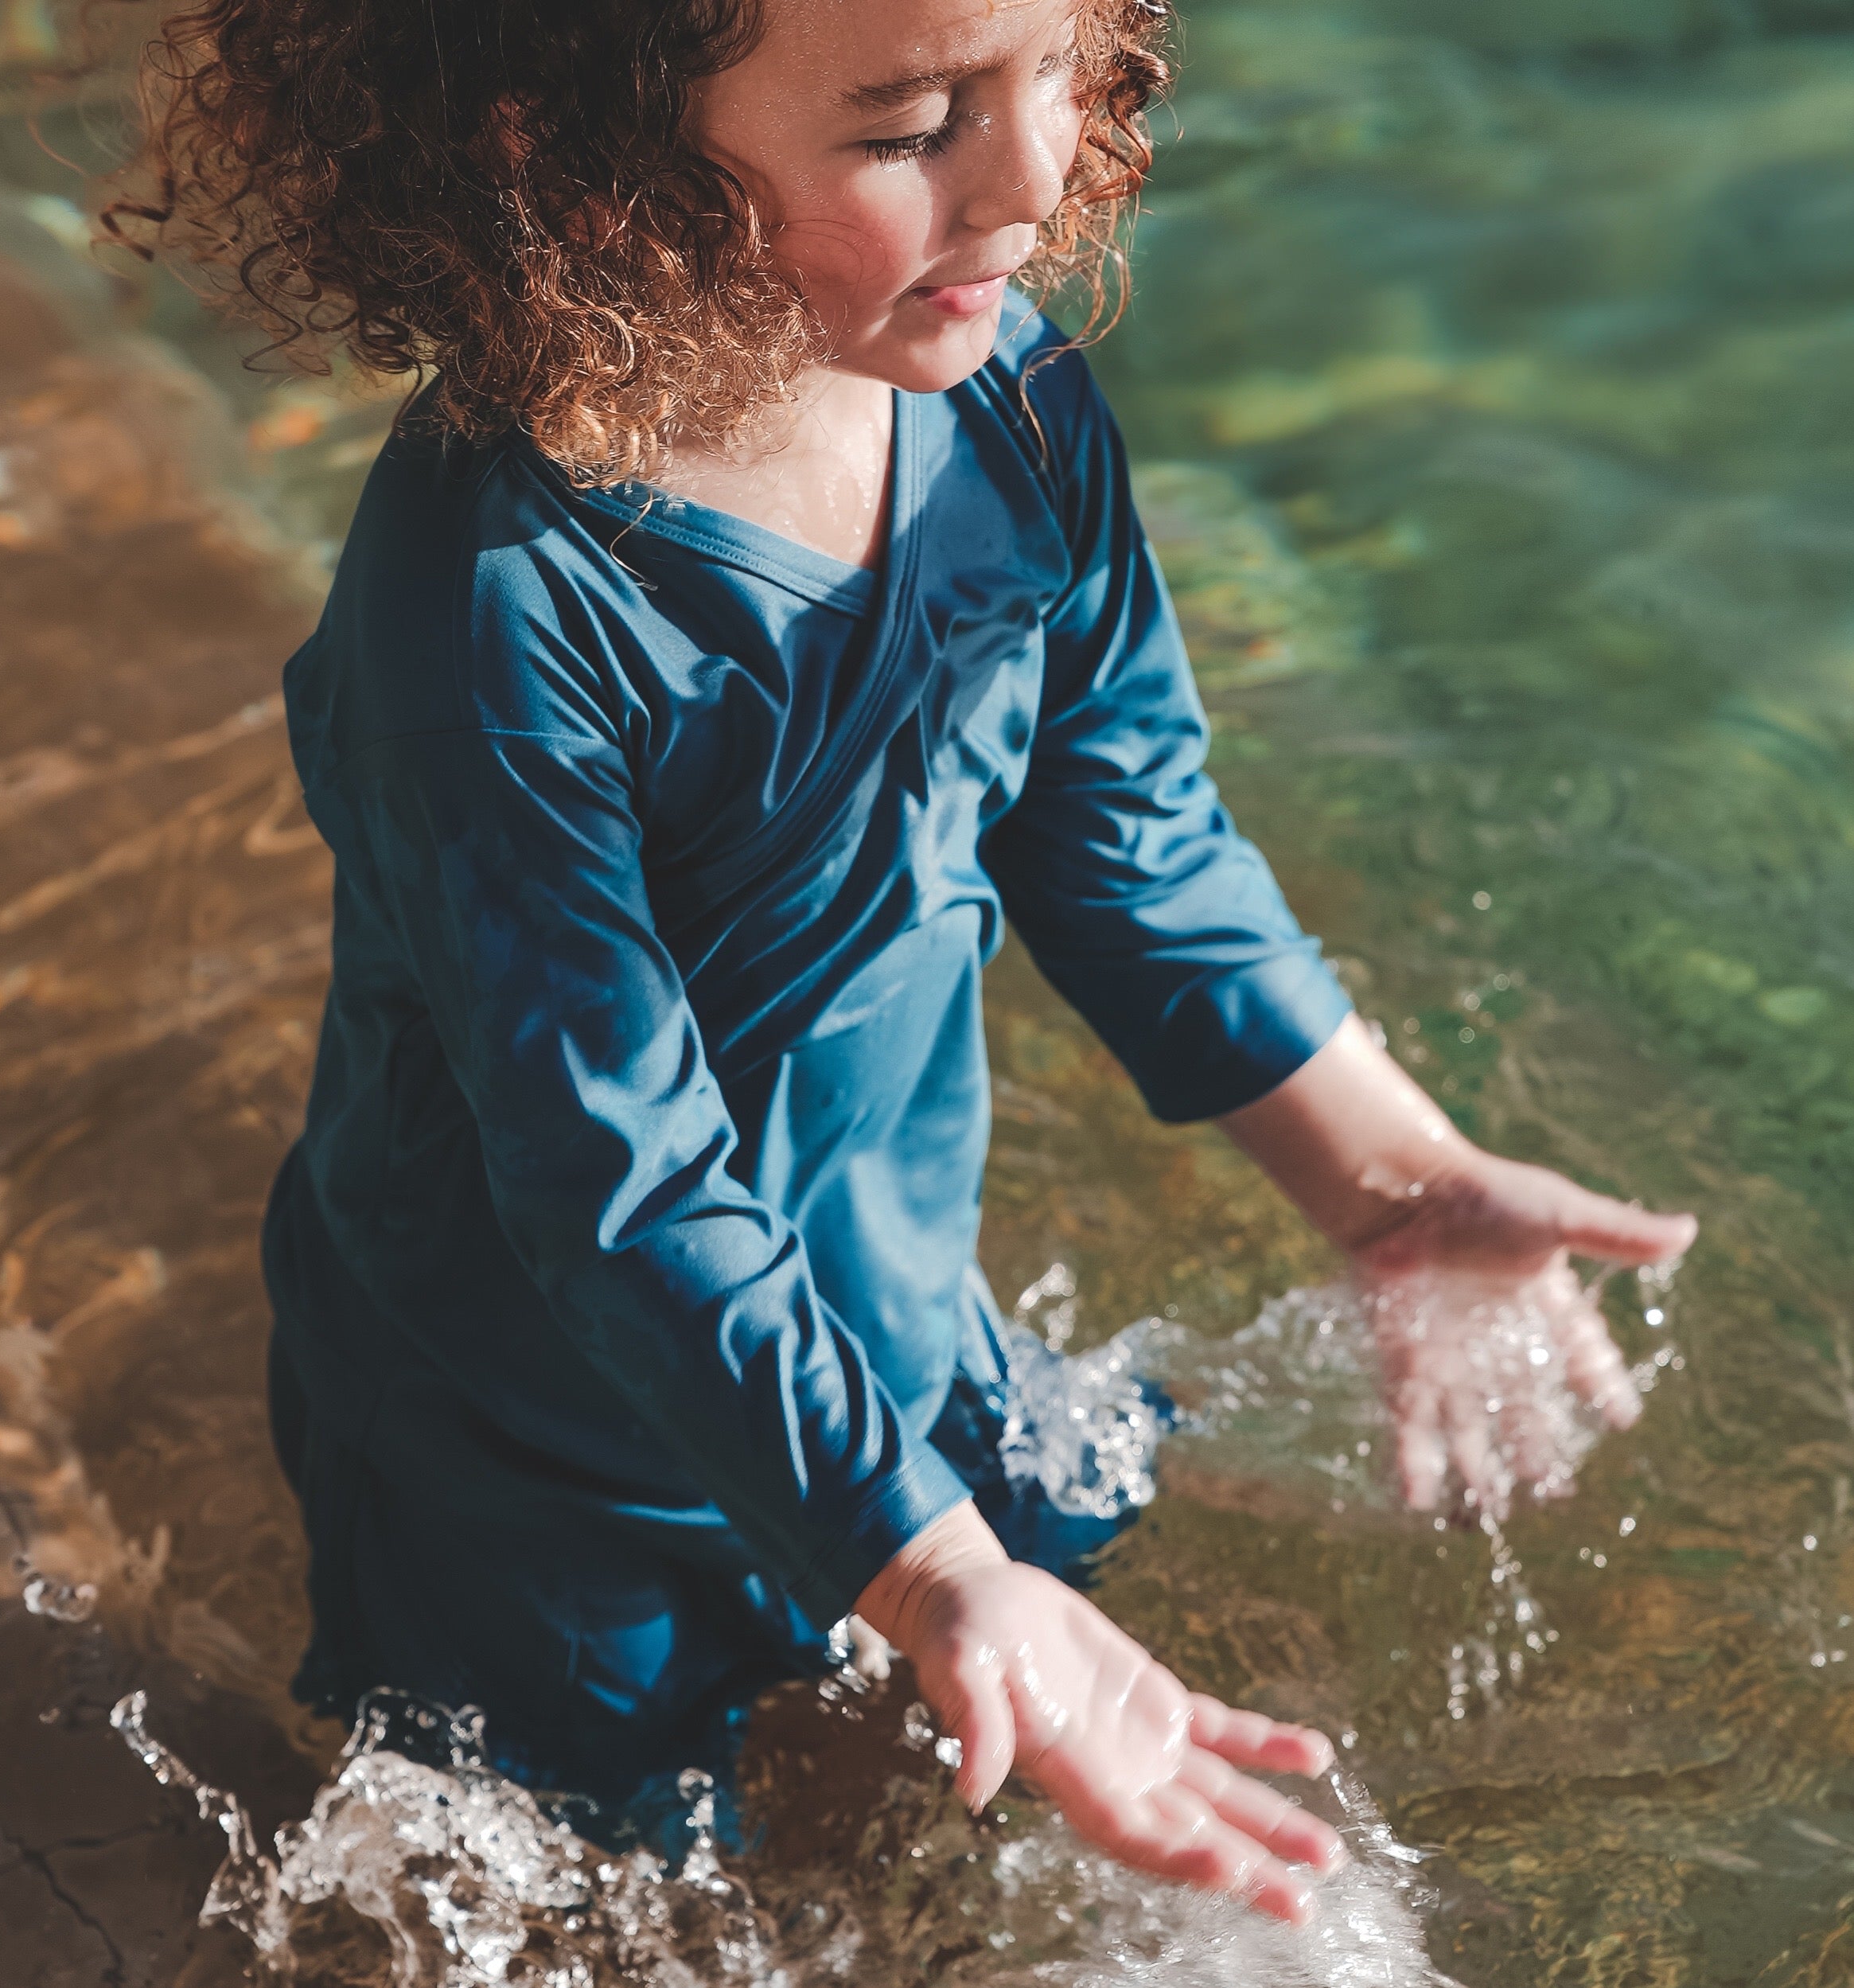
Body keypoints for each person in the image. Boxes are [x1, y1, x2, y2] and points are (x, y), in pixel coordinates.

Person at [115, 0, 1697, 1926]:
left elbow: (1129, 836)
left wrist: (1383, 1171)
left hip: (893, 1315)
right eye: (918, 120)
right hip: (524, 1457)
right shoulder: (499, 618)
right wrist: (930, 1568)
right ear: (572, 158)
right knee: (560, 1893)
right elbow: (613, 1184)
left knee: (954, 1754)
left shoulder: (1005, 403)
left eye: (1061, 74)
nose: (1032, 179)